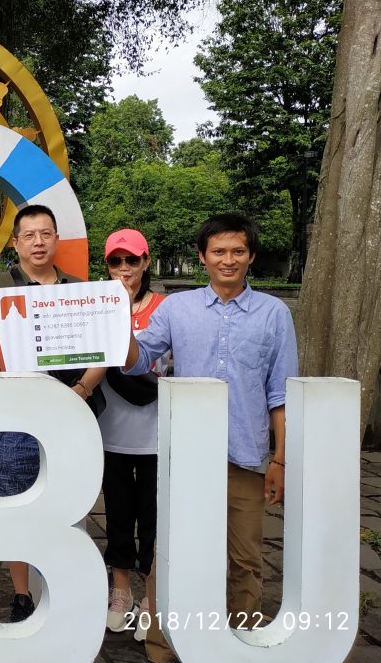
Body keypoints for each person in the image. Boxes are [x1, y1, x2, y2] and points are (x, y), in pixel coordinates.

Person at [123, 213, 297, 663]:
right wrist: (117, 320)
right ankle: (162, 648)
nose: (228, 259)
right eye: (218, 251)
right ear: (202, 258)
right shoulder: (177, 309)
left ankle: (240, 645)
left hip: (245, 458)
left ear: (251, 257)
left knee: (245, 560)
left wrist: (281, 459)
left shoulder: (275, 314)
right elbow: (140, 360)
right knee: (171, 557)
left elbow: (281, 392)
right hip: (186, 458)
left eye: (238, 251)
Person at [0, 203, 106, 622]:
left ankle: (62, 587)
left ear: (56, 239)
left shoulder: (78, 290)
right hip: (12, 420)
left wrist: (83, 388)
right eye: (29, 235)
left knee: (68, 506)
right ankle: (20, 595)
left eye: (45, 233)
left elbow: (102, 350)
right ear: (15, 242)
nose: (38, 242)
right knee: (13, 505)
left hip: (68, 417)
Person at [98, 229, 167, 635]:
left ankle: (151, 597)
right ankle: (120, 591)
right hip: (112, 432)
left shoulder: (165, 307)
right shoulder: (94, 304)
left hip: (158, 433)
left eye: (132, 260)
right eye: (115, 261)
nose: (124, 269)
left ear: (145, 262)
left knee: (155, 518)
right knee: (119, 515)